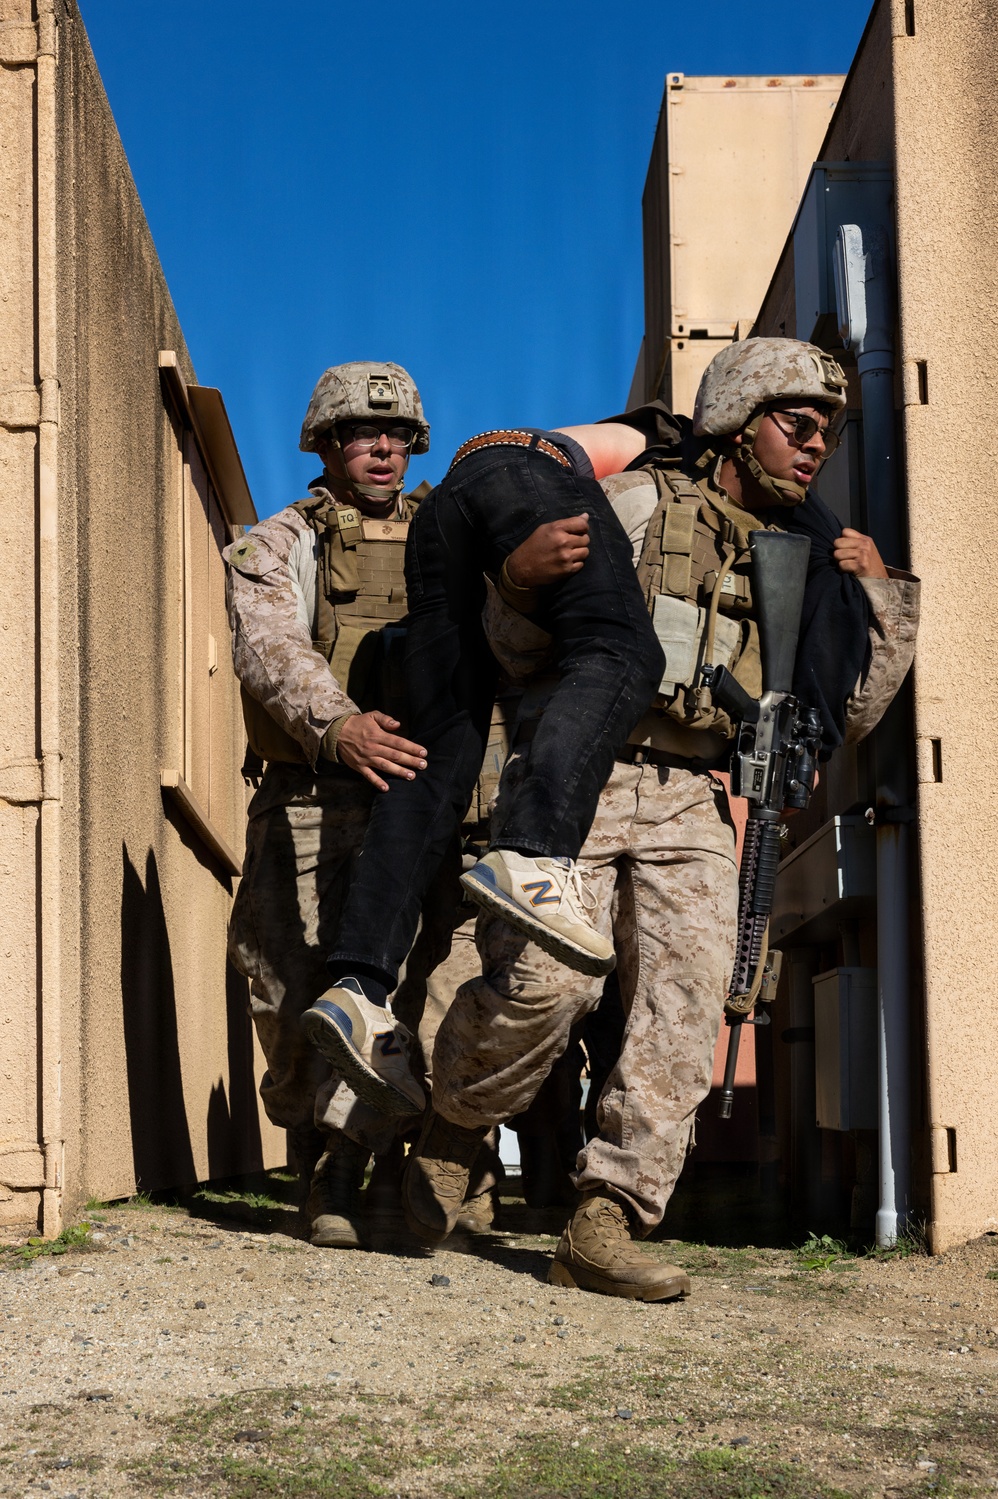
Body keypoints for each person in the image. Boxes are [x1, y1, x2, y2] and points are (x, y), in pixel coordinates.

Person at [400, 337, 921, 1300]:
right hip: (577, 770)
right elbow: (513, 646)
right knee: (542, 983)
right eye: (796, 426)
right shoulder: (636, 503)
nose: (814, 450)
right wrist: (516, 578)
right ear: (734, 420)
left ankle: (606, 1216)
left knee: (685, 1003)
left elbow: (838, 713)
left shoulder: (808, 563)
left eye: (826, 436)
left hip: (693, 794)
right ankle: (452, 1130)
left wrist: (882, 599)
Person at [301, 417, 669, 1116]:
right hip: (519, 469)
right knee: (622, 652)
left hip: (445, 518)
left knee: (439, 754)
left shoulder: (445, 493)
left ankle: (359, 987)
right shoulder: (666, 444)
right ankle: (534, 853)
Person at [226, 361, 461, 1248]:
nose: (383, 447)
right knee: (290, 987)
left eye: (397, 433)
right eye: (363, 432)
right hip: (310, 791)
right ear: (325, 443)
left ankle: (359, 1162)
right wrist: (340, 724)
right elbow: (270, 648)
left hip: (419, 797)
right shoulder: (281, 541)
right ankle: (319, 1149)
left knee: (414, 979)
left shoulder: (448, 531)